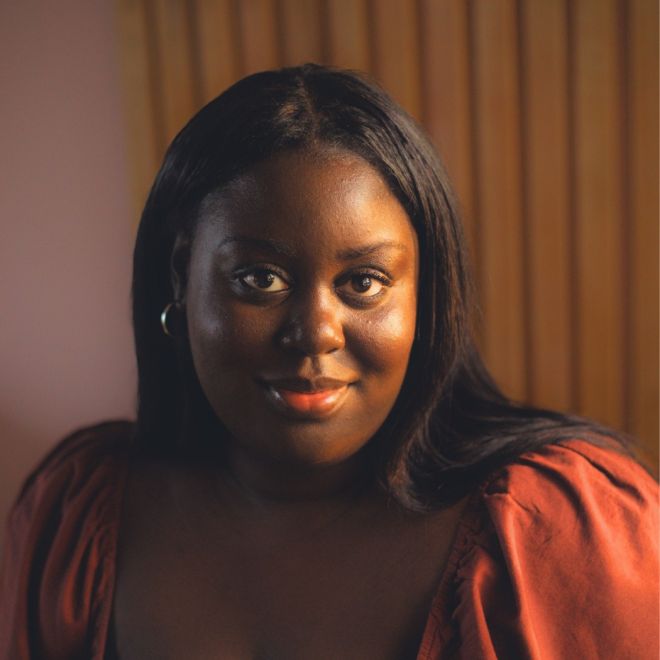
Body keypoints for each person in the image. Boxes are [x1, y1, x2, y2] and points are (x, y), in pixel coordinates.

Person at [0, 64, 657, 659]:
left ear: (424, 299)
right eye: (259, 279)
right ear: (181, 276)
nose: (314, 334)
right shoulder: (77, 518)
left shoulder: (564, 535)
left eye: (364, 282)